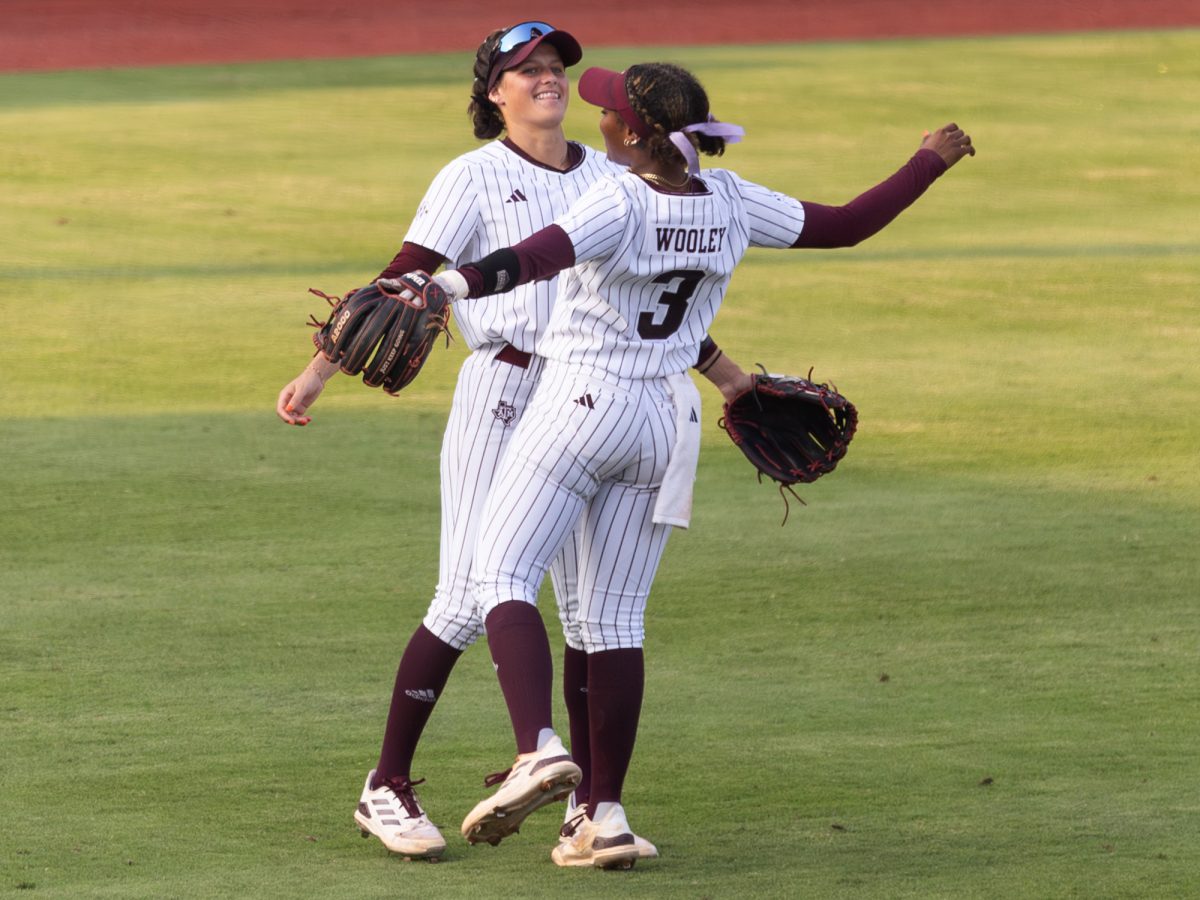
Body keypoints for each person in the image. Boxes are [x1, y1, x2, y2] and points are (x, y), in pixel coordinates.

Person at [386, 61, 974, 868]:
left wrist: (443, 284)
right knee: (612, 621)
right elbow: (846, 224)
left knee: (498, 576)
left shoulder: (619, 197)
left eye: (607, 111)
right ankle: (605, 816)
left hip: (581, 406)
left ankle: (538, 749)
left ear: (630, 132)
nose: (596, 117)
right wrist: (927, 162)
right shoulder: (730, 200)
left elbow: (531, 259)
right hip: (666, 419)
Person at [275, 26, 751, 861]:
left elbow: (643, 296)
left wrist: (724, 373)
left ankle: (589, 809)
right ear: (492, 92)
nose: (548, 79)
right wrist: (320, 370)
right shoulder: (473, 177)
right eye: (526, 71)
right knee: (468, 592)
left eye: (555, 67)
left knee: (585, 605)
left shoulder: (614, 173)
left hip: (593, 392)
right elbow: (405, 275)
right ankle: (387, 784)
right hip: (506, 386)